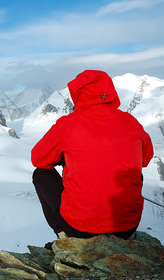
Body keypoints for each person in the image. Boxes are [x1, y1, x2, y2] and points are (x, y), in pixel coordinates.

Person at [31, 70, 154, 239]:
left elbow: (38, 159)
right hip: (127, 228)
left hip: (80, 229)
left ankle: (63, 233)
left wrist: (65, 159)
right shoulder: (131, 122)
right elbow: (144, 159)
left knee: (41, 174)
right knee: (133, 170)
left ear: (77, 94)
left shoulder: (68, 124)